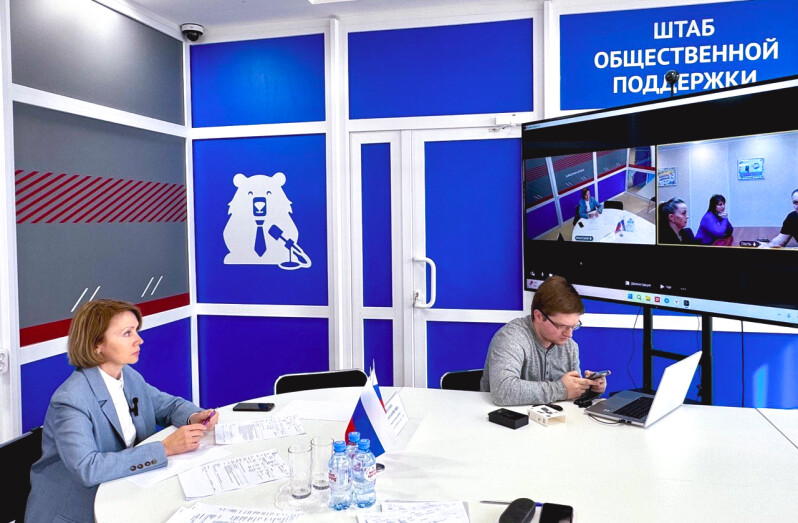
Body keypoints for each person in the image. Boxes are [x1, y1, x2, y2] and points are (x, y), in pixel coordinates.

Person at [26, 299, 218, 523]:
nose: (139, 340)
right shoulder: (71, 400)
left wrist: (194, 416)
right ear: (96, 344)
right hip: (76, 514)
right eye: (127, 333)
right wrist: (165, 448)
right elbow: (88, 468)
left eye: (136, 330)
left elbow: (170, 406)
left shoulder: (128, 377)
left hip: (123, 494)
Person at [480, 275, 608, 406]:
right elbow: (503, 391)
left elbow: (571, 394)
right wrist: (561, 389)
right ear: (539, 316)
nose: (569, 334)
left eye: (574, 326)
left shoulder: (570, 347)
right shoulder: (510, 338)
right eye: (561, 326)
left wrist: (591, 389)